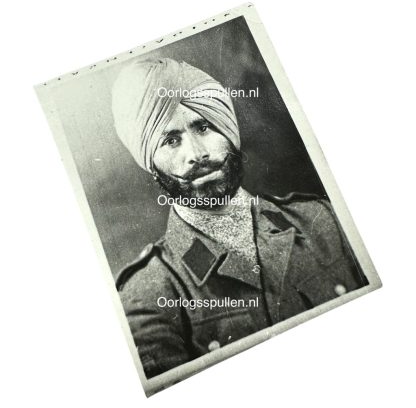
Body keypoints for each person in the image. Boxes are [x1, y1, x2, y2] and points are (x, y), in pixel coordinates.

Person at [111, 58, 368, 379]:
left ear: (229, 128)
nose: (197, 154)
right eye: (170, 140)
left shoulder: (323, 219)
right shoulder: (148, 293)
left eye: (204, 127)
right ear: (152, 163)